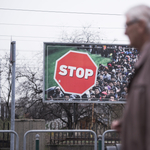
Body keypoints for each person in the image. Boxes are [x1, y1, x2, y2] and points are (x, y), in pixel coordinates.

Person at [111, 5, 150, 150]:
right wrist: (128, 123)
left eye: (127, 25)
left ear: (140, 25)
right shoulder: (143, 63)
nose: (125, 32)